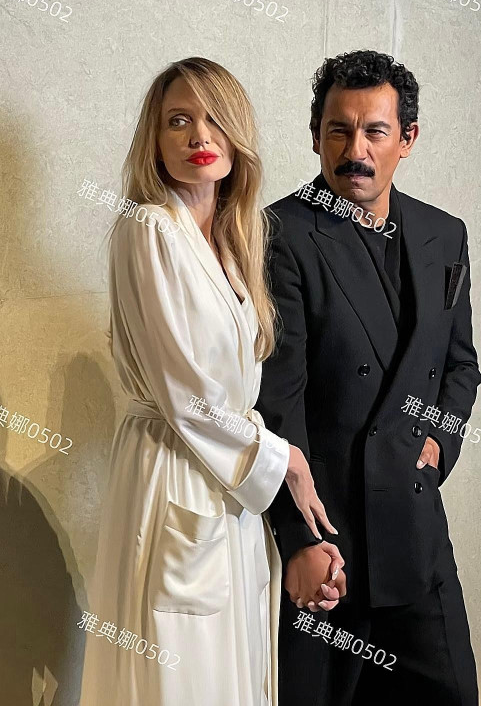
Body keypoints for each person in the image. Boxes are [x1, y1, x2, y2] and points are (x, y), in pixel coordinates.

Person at [79, 57, 343, 706]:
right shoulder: (149, 229)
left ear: (236, 135)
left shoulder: (233, 240)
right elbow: (186, 395)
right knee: (178, 677)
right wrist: (284, 459)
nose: (199, 135)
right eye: (178, 121)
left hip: (229, 488)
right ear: (154, 137)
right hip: (174, 472)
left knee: (230, 672)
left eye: (214, 119)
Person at [256, 50, 481, 705]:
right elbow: (278, 400)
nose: (355, 150)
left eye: (375, 131)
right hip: (332, 545)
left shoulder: (444, 234)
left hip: (416, 531)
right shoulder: (281, 233)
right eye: (339, 130)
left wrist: (438, 443)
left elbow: (461, 365)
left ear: (407, 138)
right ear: (316, 135)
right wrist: (300, 540)